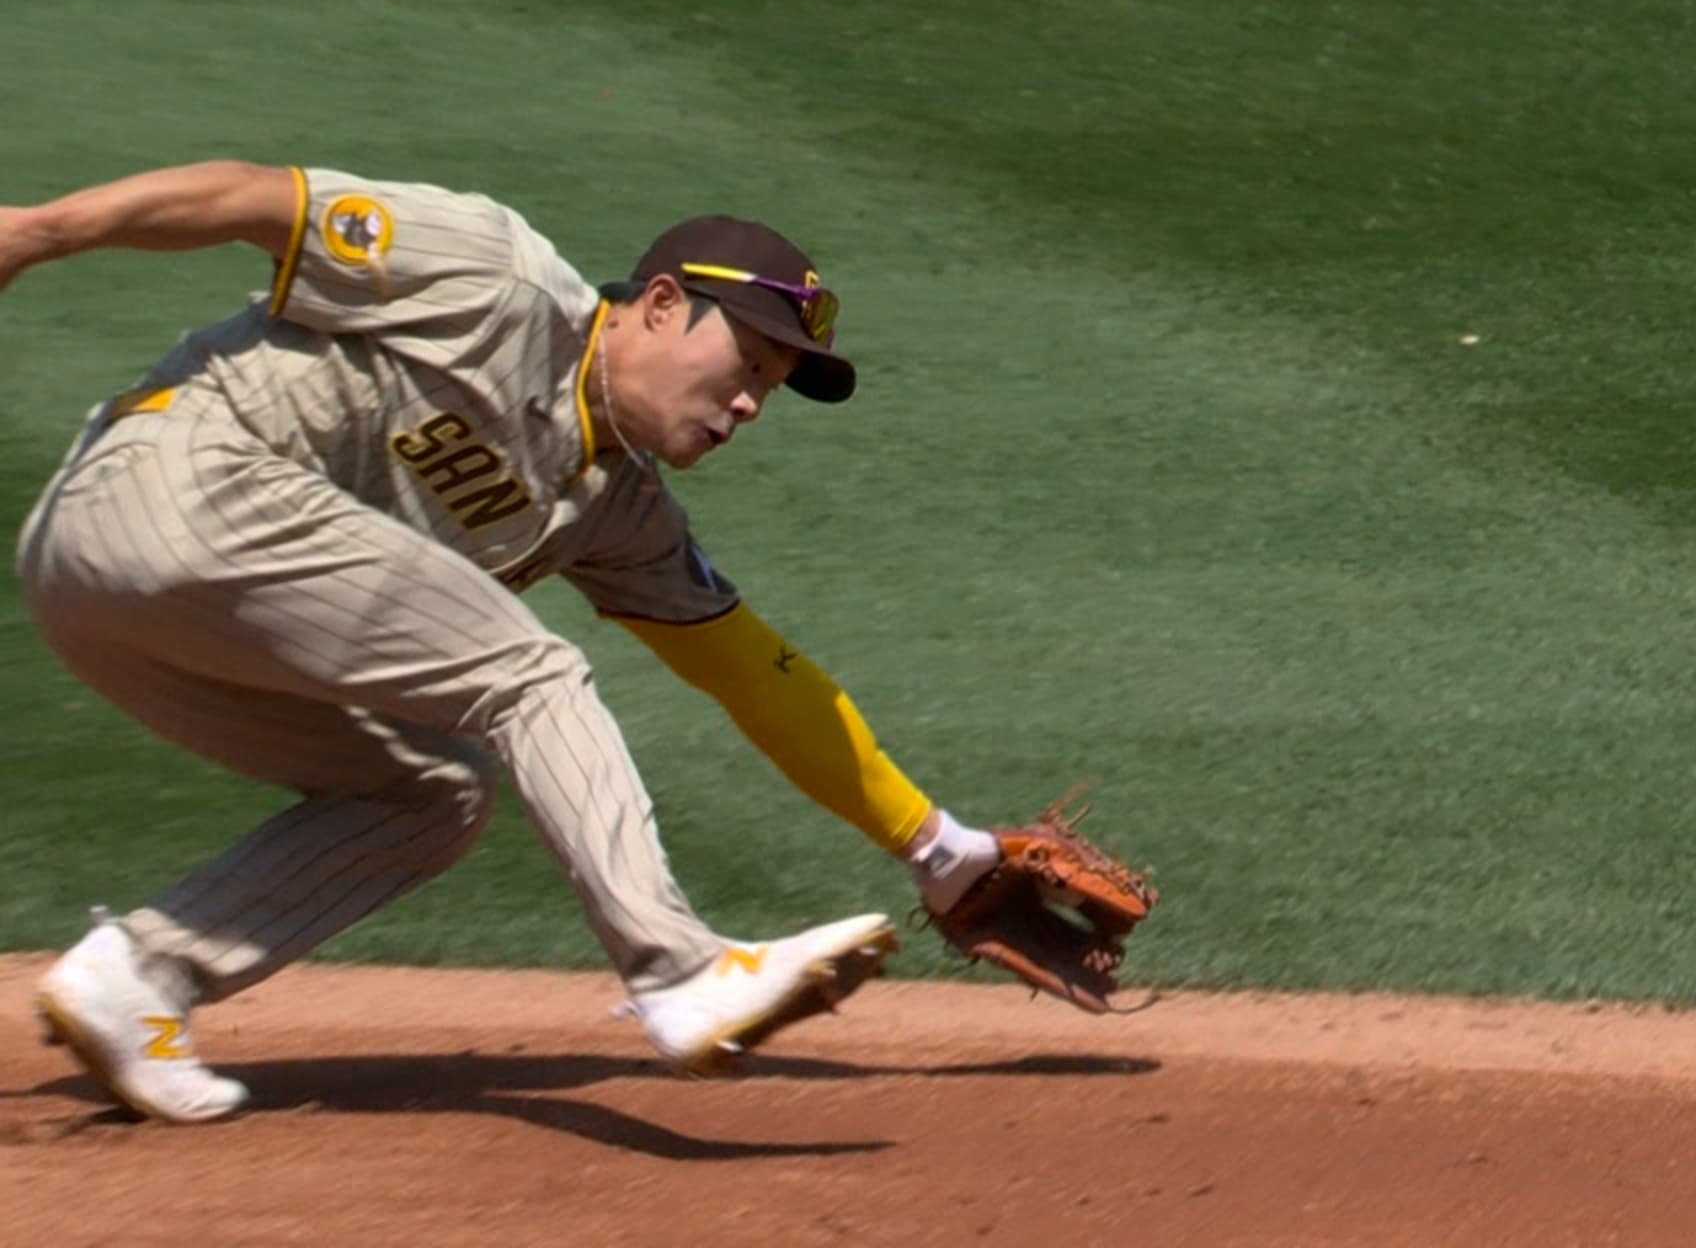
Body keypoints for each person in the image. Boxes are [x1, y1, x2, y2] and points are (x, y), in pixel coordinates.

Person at [0, 161, 1010, 1123]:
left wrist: (932, 844)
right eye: (746, 361)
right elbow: (252, 199)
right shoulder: (493, 274)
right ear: (661, 304)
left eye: (773, 385)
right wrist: (37, 232)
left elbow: (750, 671)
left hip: (124, 612)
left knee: (433, 796)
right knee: (528, 673)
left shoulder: (620, 513)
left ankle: (139, 978)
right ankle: (679, 969)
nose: (751, 401)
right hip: (161, 482)